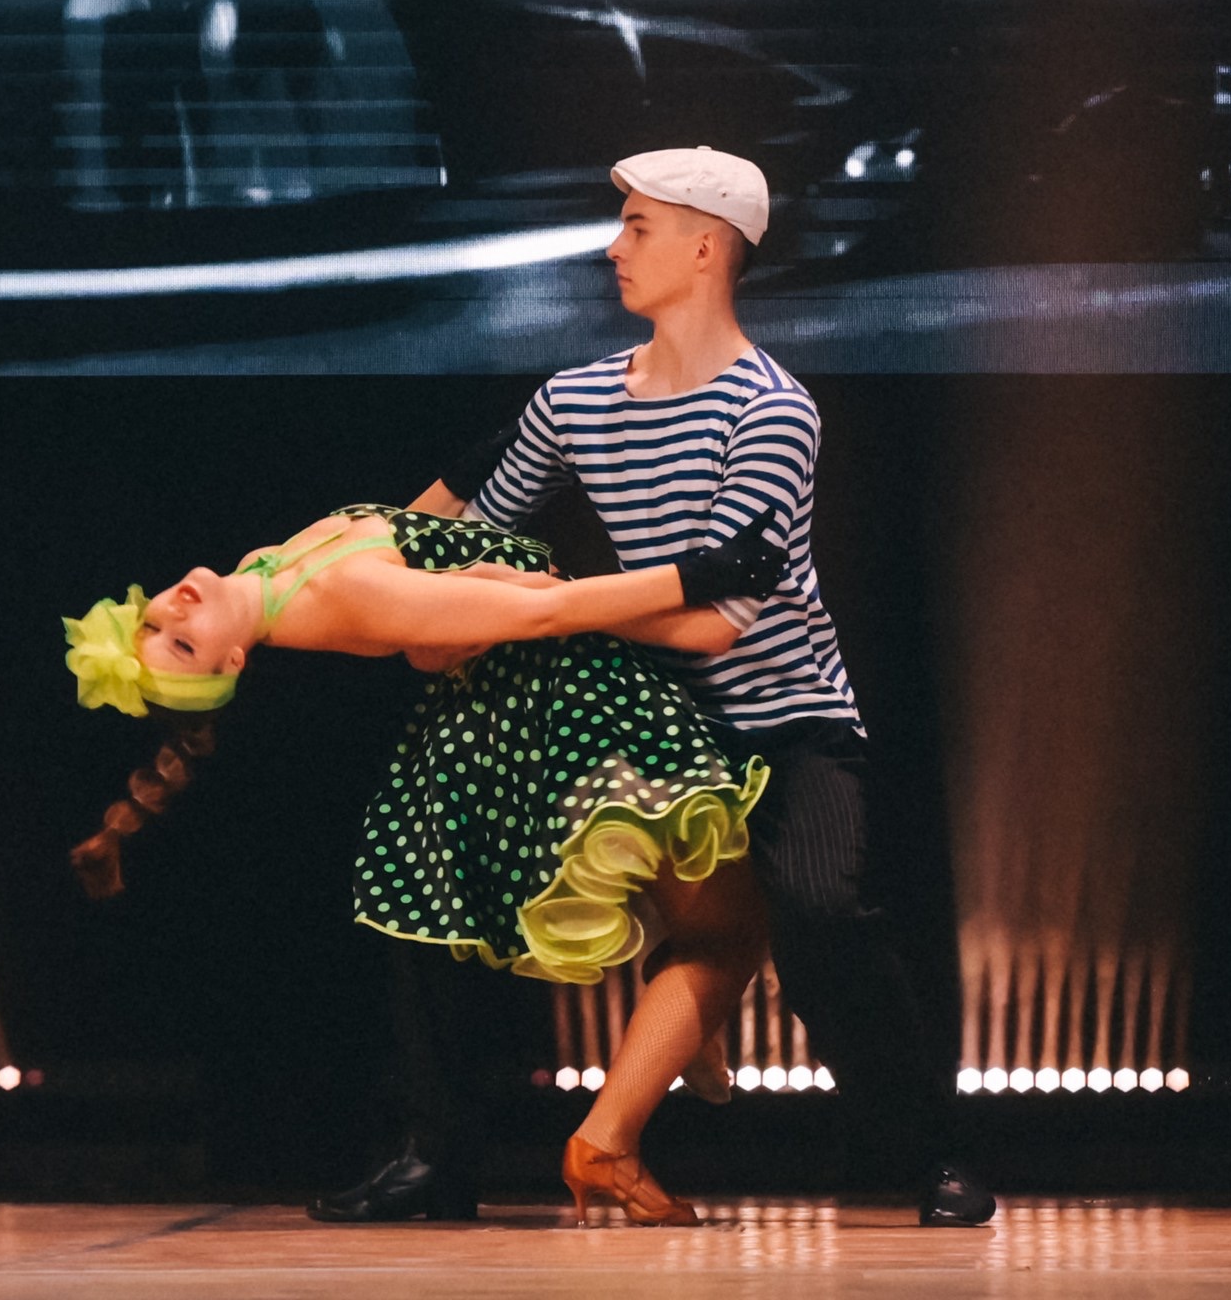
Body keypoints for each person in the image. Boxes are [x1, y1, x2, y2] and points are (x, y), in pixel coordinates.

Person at [316, 146, 995, 1228]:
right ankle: (434, 1156)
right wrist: (346, 579)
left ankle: (928, 1155)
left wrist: (541, 602)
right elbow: (460, 532)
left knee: (823, 911)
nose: (612, 246)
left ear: (706, 247)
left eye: (636, 226)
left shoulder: (772, 409)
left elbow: (714, 621)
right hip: (646, 718)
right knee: (449, 862)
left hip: (783, 718)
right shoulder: (576, 398)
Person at [62, 498, 789, 1223]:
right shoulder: (340, 592)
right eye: (181, 645)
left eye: (153, 624)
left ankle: (673, 1042)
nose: (174, 612)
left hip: (555, 690)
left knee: (717, 921)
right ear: (232, 662)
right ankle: (615, 1126)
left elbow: (439, 555)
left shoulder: (271, 566)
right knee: (727, 929)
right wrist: (697, 578)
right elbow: (544, 611)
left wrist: (481, 512)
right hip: (575, 700)